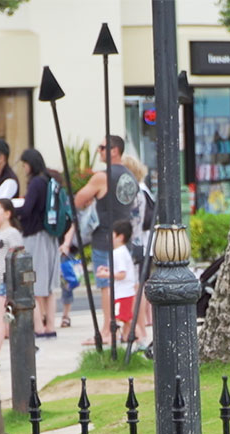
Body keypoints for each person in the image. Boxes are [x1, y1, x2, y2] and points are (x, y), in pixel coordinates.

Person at [74, 134, 138, 346]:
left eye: (102, 147)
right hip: (124, 236)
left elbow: (79, 199)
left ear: (114, 150)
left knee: (106, 285)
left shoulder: (102, 176)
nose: (99, 151)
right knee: (124, 285)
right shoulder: (130, 175)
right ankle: (125, 328)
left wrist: (90, 199)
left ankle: (107, 330)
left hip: (104, 237)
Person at [14, 149, 64, 339]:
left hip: (35, 236)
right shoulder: (50, 180)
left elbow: (27, 210)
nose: (24, 168)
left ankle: (39, 328)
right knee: (49, 288)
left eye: (25, 164)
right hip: (50, 236)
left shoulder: (35, 183)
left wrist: (14, 210)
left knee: (32, 282)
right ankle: (50, 325)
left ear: (31, 164)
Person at [0, 198, 25, 363]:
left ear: (7, 214)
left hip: (4, 281)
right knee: (3, 320)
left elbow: (17, 257)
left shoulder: (12, 234)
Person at [122, 155, 155, 345]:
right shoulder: (145, 189)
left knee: (137, 286)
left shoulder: (135, 192)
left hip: (137, 243)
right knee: (141, 284)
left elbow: (136, 222)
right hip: (145, 244)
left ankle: (140, 327)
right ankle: (144, 322)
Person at [95, 220, 137, 341]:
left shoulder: (119, 253)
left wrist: (105, 275)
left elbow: (121, 274)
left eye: (112, 234)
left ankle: (115, 338)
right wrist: (107, 270)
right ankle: (126, 337)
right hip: (125, 292)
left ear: (120, 237)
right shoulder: (121, 252)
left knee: (118, 319)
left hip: (122, 293)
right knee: (126, 318)